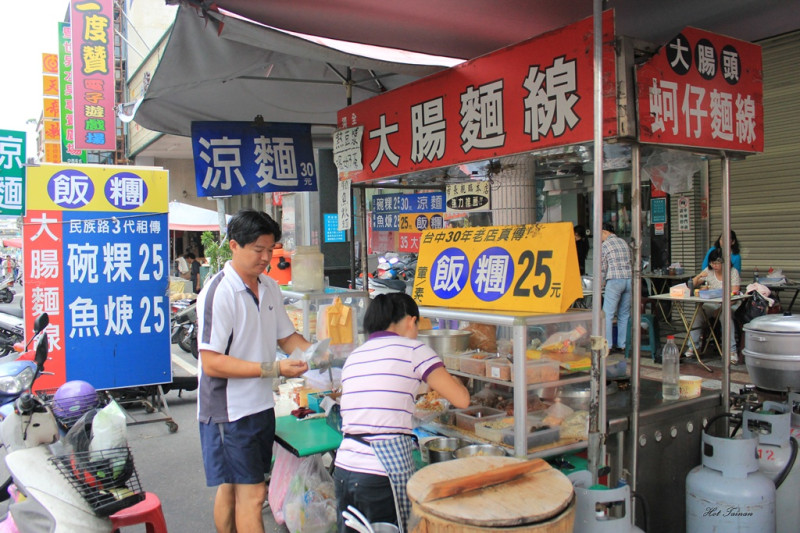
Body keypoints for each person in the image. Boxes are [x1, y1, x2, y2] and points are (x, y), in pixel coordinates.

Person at [196, 209, 310, 533]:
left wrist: (319, 355)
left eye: (270, 249)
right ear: (234, 245)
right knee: (253, 493)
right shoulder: (219, 292)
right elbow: (212, 362)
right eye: (258, 249)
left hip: (260, 405)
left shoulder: (270, 287)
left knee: (233, 486)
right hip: (228, 410)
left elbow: (287, 338)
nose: (265, 258)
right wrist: (274, 368)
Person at [333, 292, 470, 532]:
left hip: (344, 468)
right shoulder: (414, 350)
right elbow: (462, 400)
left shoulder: (356, 355)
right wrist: (456, 379)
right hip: (379, 473)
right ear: (410, 320)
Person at [686, 247, 741, 364]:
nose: (714, 266)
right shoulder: (709, 271)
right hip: (712, 303)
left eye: (717, 263)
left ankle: (731, 350)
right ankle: (693, 346)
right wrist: (698, 276)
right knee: (698, 314)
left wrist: (721, 308)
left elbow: (734, 294)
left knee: (725, 316)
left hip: (730, 304)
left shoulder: (732, 272)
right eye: (712, 263)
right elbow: (691, 284)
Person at [601, 222, 632, 354]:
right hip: (629, 280)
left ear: (604, 232)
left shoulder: (605, 245)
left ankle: (607, 345)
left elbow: (602, 267)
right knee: (624, 314)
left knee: (607, 314)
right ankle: (622, 345)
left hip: (614, 280)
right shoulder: (623, 242)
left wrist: (601, 283)